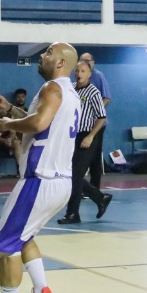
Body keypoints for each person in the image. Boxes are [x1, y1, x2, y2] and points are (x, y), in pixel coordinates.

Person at [0, 43, 80, 293]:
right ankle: (43, 292)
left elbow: (37, 122)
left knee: (5, 246)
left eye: (47, 54)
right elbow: (45, 122)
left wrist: (10, 122)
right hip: (61, 183)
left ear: (59, 63)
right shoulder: (69, 94)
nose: (42, 57)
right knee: (24, 237)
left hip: (39, 181)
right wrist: (11, 110)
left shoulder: (51, 89)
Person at [58, 58, 111, 224]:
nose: (79, 74)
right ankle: (100, 197)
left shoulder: (93, 92)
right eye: (77, 71)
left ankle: (73, 213)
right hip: (72, 135)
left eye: (83, 71)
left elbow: (101, 117)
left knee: (76, 174)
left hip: (87, 135)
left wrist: (91, 136)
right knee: (71, 174)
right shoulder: (72, 90)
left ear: (89, 74)